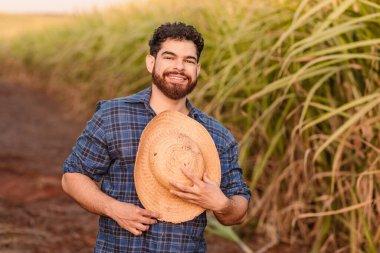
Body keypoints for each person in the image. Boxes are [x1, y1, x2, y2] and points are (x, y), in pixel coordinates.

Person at [62, 22, 251, 252]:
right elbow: (73, 177)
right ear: (151, 63)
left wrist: (221, 203)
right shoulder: (114, 116)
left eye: (188, 61)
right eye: (169, 57)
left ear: (197, 69)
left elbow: (239, 210)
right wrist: (113, 208)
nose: (179, 67)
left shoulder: (216, 136)